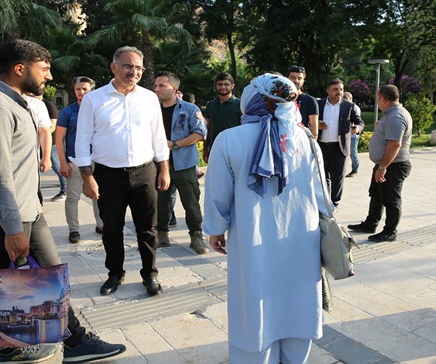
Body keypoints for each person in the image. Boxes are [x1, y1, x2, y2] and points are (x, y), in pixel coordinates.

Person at [0, 39, 126, 363]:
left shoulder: (11, 101)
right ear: (20, 69)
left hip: (22, 209)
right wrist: (12, 228)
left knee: (33, 277)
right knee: (7, 281)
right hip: (6, 215)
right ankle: (13, 347)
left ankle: (46, 342)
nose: (48, 77)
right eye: (44, 69)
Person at [203, 73, 327, 363]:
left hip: (252, 235)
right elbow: (321, 193)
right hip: (302, 235)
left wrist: (216, 229)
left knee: (255, 297)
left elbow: (217, 193)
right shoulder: (304, 138)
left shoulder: (230, 139)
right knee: (298, 298)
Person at [73, 46, 170, 297]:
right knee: (112, 228)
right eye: (128, 66)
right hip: (108, 174)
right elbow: (82, 140)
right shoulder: (94, 99)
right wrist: (87, 177)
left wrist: (164, 169)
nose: (133, 72)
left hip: (145, 172)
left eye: (138, 67)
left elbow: (158, 136)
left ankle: (150, 273)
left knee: (148, 228)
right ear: (113, 67)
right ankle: (115, 273)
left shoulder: (149, 97)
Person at [153, 71, 209, 254]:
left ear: (174, 88)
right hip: (158, 164)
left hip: (184, 164)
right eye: (156, 85)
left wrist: (174, 144)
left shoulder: (190, 109)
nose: (157, 89)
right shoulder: (152, 109)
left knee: (191, 202)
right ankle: (162, 233)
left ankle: (196, 236)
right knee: (161, 201)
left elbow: (200, 134)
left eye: (162, 85)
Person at [348, 85, 412, 242]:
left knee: (391, 199)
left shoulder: (396, 117)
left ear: (383, 99)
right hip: (385, 164)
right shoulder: (391, 114)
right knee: (376, 195)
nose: (377, 103)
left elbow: (394, 145)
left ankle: (390, 231)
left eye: (377, 99)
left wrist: (383, 167)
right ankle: (371, 223)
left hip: (393, 165)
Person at [55, 76, 104, 244]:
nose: (81, 92)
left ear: (92, 90)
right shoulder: (67, 112)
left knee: (99, 195)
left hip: (98, 160)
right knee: (72, 197)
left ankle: (101, 224)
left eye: (85, 89)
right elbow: (59, 139)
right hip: (74, 161)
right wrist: (63, 162)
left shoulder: (99, 110)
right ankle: (74, 230)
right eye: (78, 89)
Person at [317, 79, 363, 207]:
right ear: (328, 90)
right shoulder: (319, 104)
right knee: (322, 176)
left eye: (341, 89)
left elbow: (359, 121)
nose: (339, 92)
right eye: (335, 89)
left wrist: (357, 128)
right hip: (321, 146)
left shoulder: (348, 106)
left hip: (339, 147)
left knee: (337, 178)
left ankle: (334, 203)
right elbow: (309, 121)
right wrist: (315, 126)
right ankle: (324, 202)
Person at [203, 72, 241, 163]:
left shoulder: (240, 104)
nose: (223, 87)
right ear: (215, 86)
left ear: (232, 86)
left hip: (236, 150)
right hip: (215, 149)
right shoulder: (210, 105)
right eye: (219, 84)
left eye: (226, 84)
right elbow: (208, 128)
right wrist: (205, 149)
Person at [288, 65, 319, 138]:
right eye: (293, 78)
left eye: (299, 78)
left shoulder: (310, 101)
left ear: (303, 81)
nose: (296, 81)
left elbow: (314, 126)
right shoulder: (280, 100)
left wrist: (312, 146)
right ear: (287, 79)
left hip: (302, 141)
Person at [46, 98, 68, 201]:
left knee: (57, 166)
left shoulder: (49, 106)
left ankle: (65, 190)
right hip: (38, 141)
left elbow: (53, 126)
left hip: (51, 142)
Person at [343, 91, 362, 177]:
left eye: (345, 98)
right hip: (345, 134)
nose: (343, 99)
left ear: (350, 99)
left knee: (353, 153)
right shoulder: (343, 106)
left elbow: (357, 121)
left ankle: (355, 169)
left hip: (352, 134)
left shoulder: (354, 107)